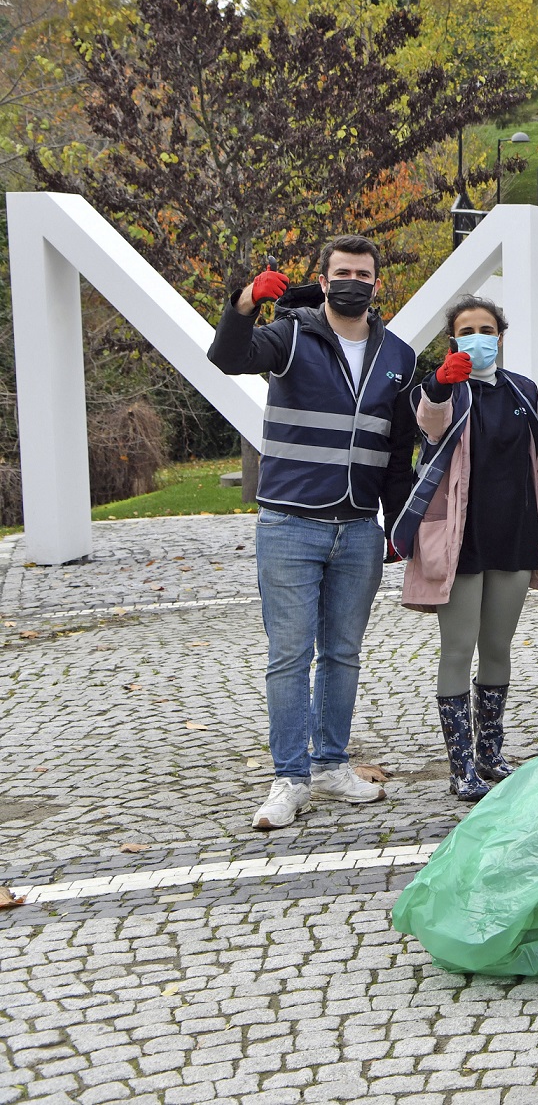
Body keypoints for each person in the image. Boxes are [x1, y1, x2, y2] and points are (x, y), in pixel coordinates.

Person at [208, 234, 417, 831]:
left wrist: (398, 524)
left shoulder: (397, 354)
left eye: (364, 273)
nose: (354, 280)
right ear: (323, 281)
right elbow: (228, 357)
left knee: (343, 655)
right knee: (289, 656)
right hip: (290, 522)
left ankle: (330, 764)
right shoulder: (290, 335)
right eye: (342, 271)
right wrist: (244, 302)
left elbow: (398, 449)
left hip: (358, 528)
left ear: (377, 283)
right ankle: (290, 777)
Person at [389, 296, 538, 800]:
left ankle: (490, 753)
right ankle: (460, 765)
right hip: (459, 540)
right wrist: (441, 383)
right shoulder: (442, 389)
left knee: (498, 648)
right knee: (458, 648)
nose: (480, 337)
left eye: (488, 329)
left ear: (500, 336)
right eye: (469, 330)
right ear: (453, 340)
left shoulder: (523, 392)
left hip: (514, 536)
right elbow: (430, 424)